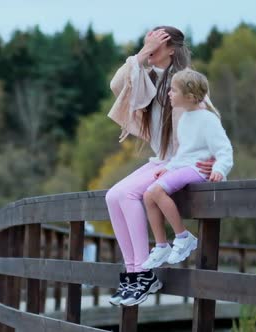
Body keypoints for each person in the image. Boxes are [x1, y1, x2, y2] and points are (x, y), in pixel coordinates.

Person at [106, 26, 215, 307]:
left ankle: (143, 272)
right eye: (147, 44)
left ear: (171, 49)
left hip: (185, 161)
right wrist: (142, 54)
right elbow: (117, 85)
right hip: (164, 159)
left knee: (129, 195)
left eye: (156, 45)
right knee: (112, 196)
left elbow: (206, 122)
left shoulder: (186, 82)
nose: (150, 50)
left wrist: (205, 157)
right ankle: (134, 273)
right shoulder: (149, 79)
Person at [141, 68, 233, 270]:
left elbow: (225, 150)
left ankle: (183, 237)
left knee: (157, 190)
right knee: (148, 196)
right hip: (186, 166)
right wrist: (170, 168)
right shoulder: (185, 119)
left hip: (200, 171)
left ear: (189, 97)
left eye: (173, 90)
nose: (169, 94)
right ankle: (161, 245)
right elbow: (184, 153)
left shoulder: (208, 120)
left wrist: (219, 168)